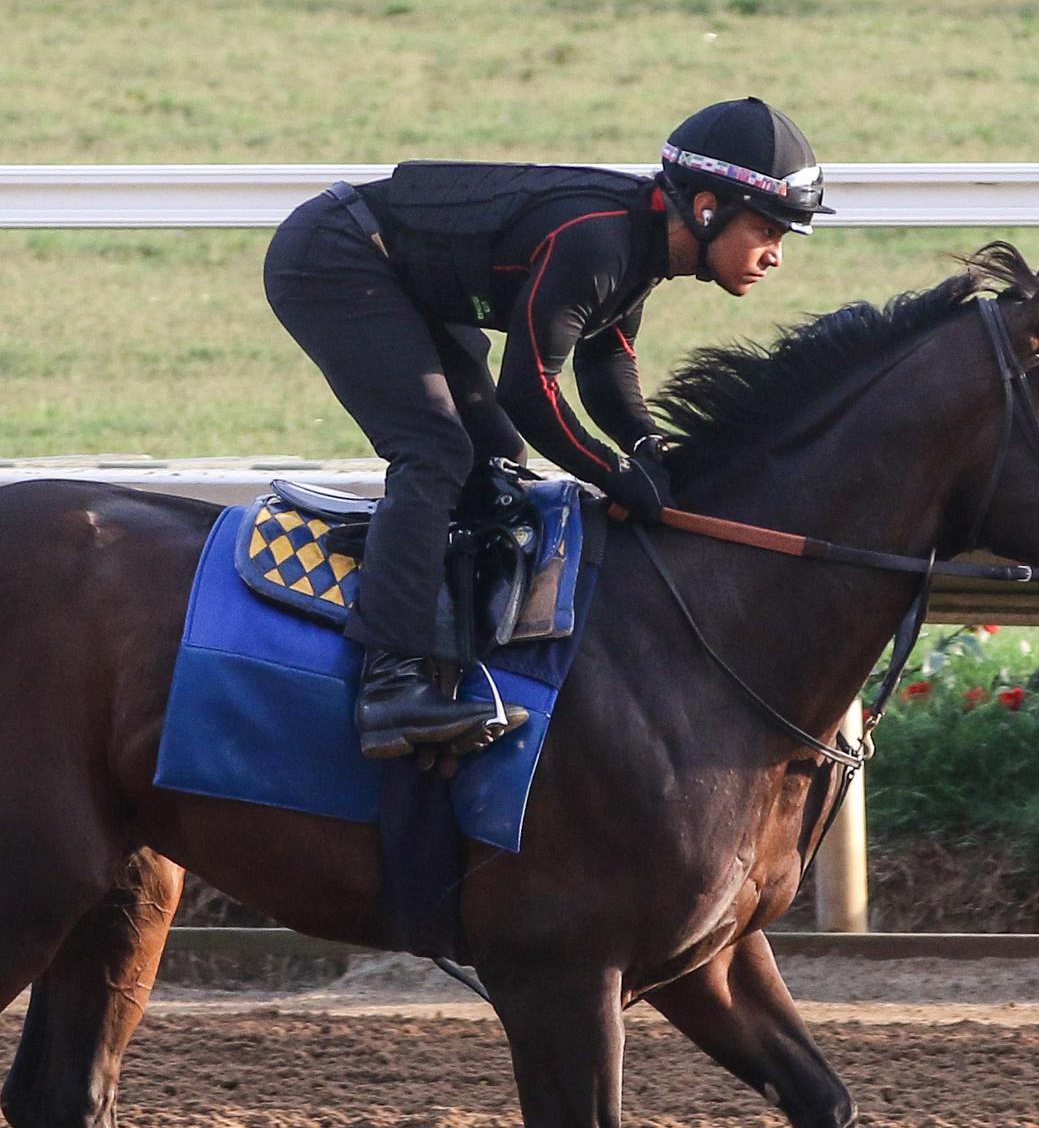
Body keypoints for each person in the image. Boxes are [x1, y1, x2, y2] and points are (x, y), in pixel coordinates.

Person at [265, 98, 826, 759]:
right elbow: (529, 391)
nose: (775, 255)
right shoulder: (598, 241)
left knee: (496, 454)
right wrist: (614, 473)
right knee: (437, 450)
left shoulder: (643, 242)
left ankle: (454, 652)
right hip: (334, 256)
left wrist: (649, 449)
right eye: (769, 230)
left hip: (401, 273)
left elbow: (606, 359)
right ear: (708, 208)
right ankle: (391, 683)